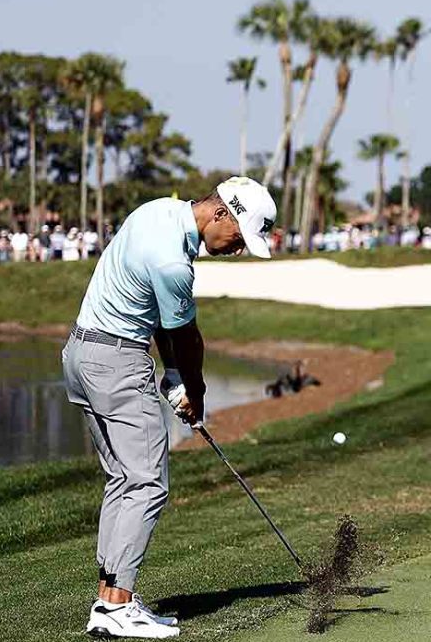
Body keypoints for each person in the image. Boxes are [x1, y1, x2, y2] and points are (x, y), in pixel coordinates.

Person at [63, 176, 276, 639]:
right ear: (221, 214)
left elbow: (157, 313)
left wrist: (173, 375)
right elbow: (186, 336)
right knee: (147, 482)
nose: (237, 248)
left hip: (81, 354)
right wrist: (194, 390)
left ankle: (110, 597)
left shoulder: (157, 210)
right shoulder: (175, 263)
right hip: (116, 360)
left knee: (124, 478)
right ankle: (116, 607)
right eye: (239, 237)